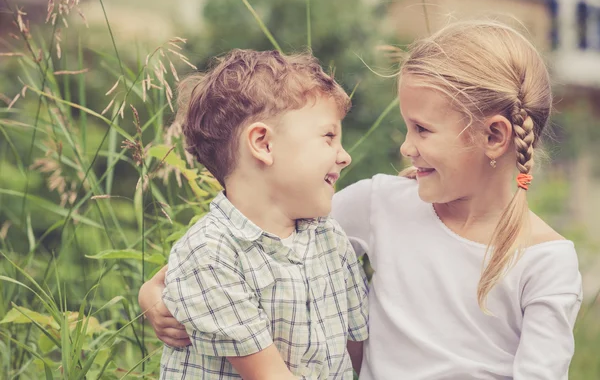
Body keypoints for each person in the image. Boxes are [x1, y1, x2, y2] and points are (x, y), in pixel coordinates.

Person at [140, 21, 583, 379]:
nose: (406, 148)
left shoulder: (547, 262)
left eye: (422, 129)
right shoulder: (383, 203)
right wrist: (152, 294)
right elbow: (247, 234)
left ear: (494, 136)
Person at [151, 48, 369, 380]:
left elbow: (354, 349)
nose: (344, 157)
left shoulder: (329, 237)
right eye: (328, 137)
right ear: (264, 144)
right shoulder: (210, 254)